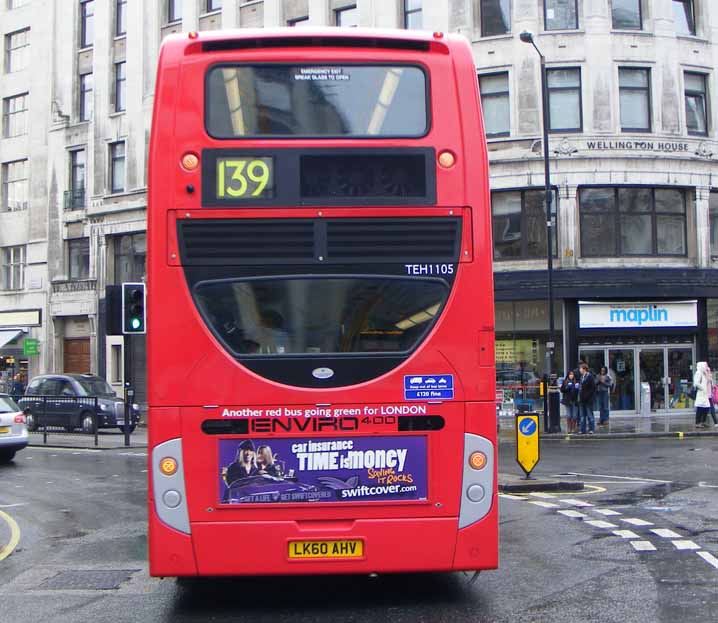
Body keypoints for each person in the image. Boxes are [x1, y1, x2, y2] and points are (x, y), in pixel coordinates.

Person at [578, 362, 596, 434]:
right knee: (582, 416)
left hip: (588, 400)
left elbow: (593, 388)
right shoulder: (581, 377)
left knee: (589, 415)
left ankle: (591, 429)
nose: (580, 370)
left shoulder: (590, 377)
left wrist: (587, 396)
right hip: (582, 400)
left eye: (581, 368)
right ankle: (583, 430)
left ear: (584, 369)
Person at [694, 361, 712, 428]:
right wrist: (702, 389)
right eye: (705, 366)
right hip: (701, 393)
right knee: (700, 408)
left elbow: (709, 380)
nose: (706, 367)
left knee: (706, 408)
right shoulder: (698, 373)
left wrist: (708, 372)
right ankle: (697, 423)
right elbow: (696, 383)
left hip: (705, 394)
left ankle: (703, 421)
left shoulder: (704, 373)